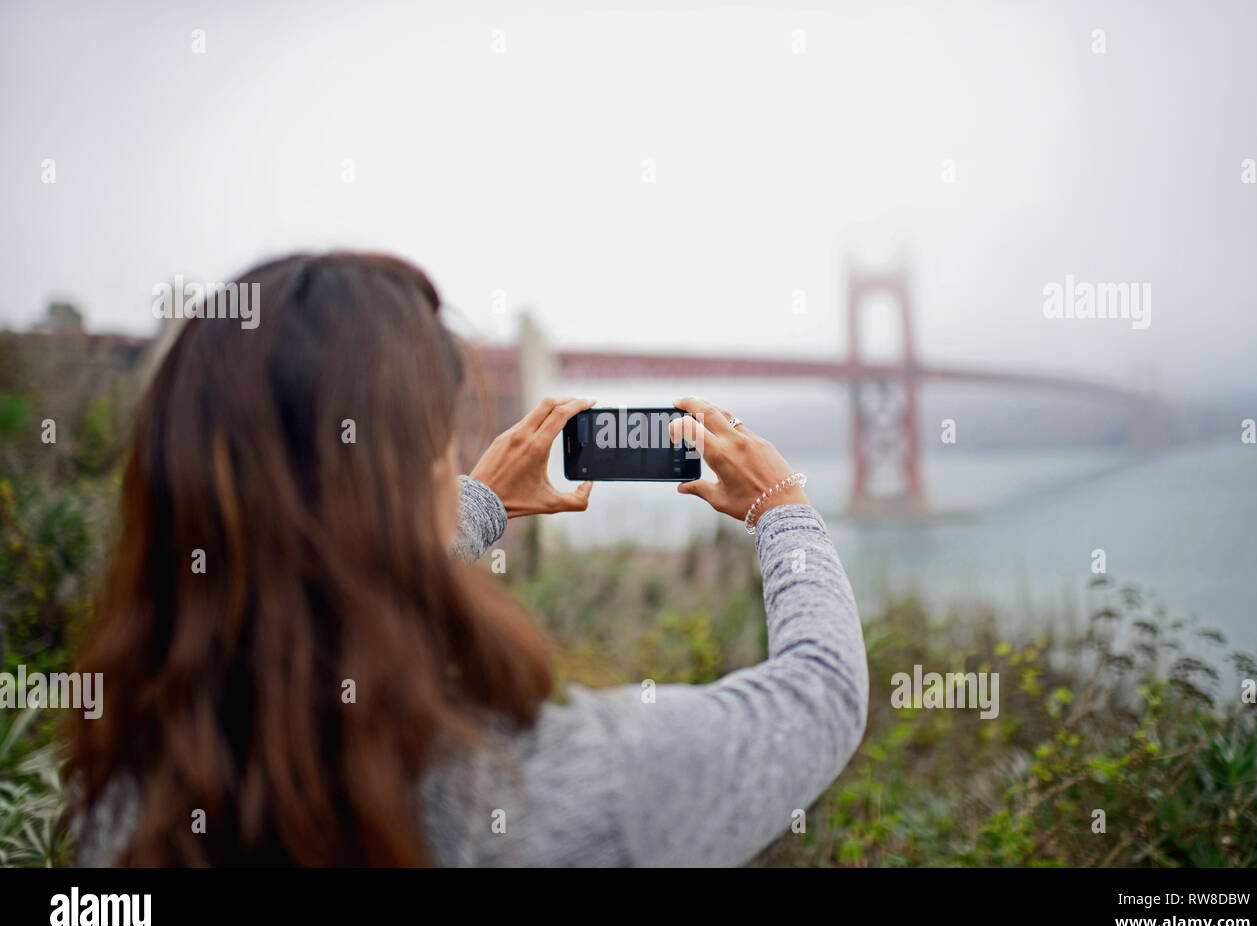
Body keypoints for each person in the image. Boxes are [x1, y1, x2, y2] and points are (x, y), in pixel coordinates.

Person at [67, 252, 868, 866]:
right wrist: (782, 508)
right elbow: (820, 694)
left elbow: (311, 593)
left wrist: (474, 505)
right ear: (421, 481)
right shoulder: (562, 789)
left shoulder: (130, 795)